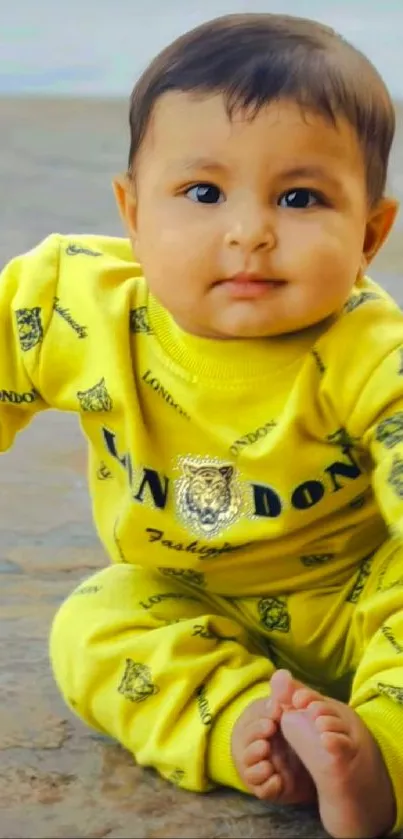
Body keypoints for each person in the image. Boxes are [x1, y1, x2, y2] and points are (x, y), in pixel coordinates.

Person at [1, 12, 402, 837]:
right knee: (93, 623)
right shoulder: (73, 306)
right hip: (185, 595)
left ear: (368, 235)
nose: (247, 231)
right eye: (202, 192)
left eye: (298, 197)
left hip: (358, 594)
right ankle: (248, 724)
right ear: (133, 212)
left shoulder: (367, 347)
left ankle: (380, 756)